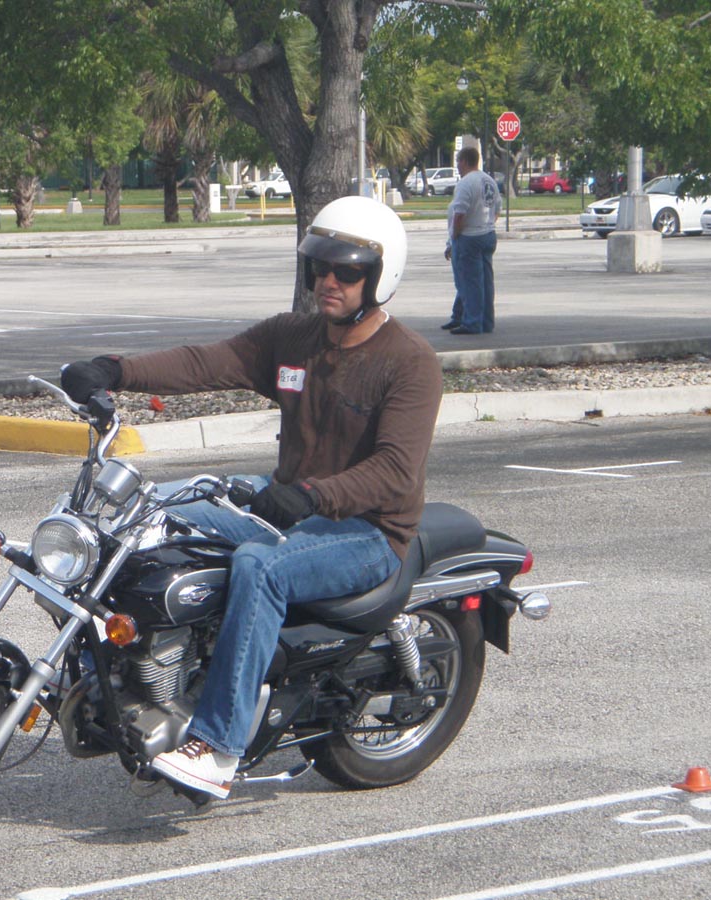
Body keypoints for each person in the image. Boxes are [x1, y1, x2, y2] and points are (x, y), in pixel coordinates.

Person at [60, 196, 442, 799]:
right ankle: (113, 671)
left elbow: (395, 471)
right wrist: (114, 370)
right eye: (319, 266)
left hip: (367, 531)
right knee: (152, 511)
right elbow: (207, 362)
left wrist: (312, 495)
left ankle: (219, 746)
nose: (328, 281)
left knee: (259, 567)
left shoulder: (410, 362)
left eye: (346, 271)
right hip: (292, 501)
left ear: (380, 276)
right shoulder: (295, 337)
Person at [443, 147, 500, 335]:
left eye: (458, 162)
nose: (457, 167)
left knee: (470, 282)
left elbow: (460, 213)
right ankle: (486, 322)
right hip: (488, 234)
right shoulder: (489, 181)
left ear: (464, 161)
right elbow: (497, 209)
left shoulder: (466, 183)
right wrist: (486, 224)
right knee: (486, 282)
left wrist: (455, 236)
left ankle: (472, 322)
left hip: (470, 236)